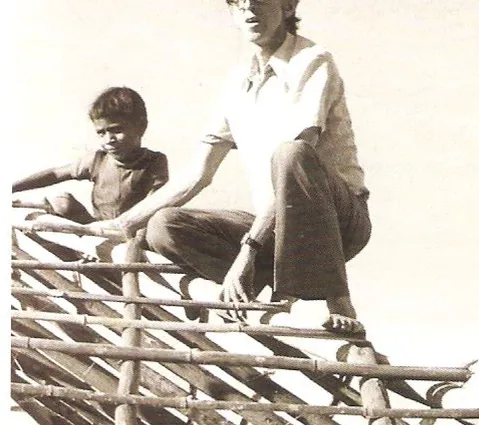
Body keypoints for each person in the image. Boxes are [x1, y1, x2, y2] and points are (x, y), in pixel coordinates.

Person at [89, 0, 371, 333]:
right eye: (238, 2)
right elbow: (198, 173)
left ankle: (336, 298)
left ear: (287, 6)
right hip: (274, 228)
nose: (249, 8)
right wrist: (121, 224)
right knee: (163, 225)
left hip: (336, 223)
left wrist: (247, 251)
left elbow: (297, 163)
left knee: (291, 153)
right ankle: (258, 284)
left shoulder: (312, 60)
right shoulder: (238, 81)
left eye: (260, 0)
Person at [12, 86, 168, 224]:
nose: (109, 139)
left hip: (134, 227)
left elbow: (153, 205)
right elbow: (55, 174)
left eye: (116, 130)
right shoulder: (98, 160)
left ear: (141, 126)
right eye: (101, 133)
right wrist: (11, 188)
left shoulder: (154, 161)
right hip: (99, 227)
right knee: (62, 202)